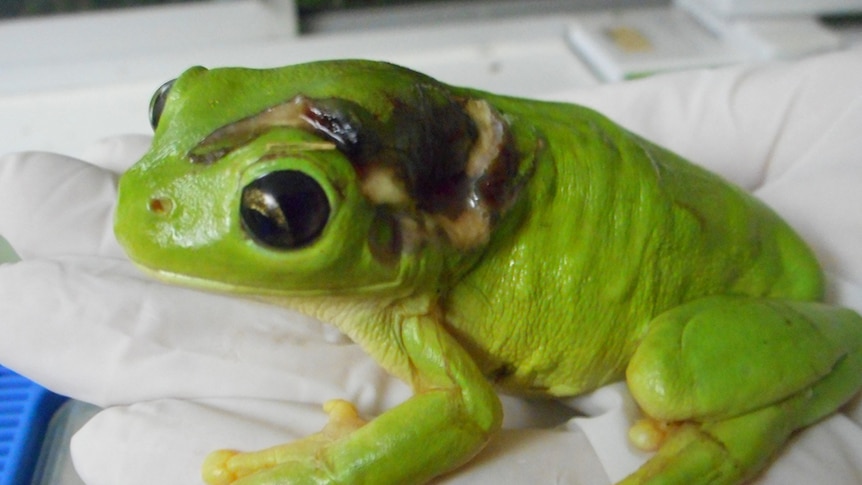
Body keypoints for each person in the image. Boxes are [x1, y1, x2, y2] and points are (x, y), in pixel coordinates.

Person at [1, 46, 861, 485]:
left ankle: (752, 422)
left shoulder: (415, 260)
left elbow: (464, 406)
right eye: (170, 109)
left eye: (278, 210)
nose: (152, 193)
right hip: (687, 205)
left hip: (735, 297)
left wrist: (331, 465)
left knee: (672, 378)